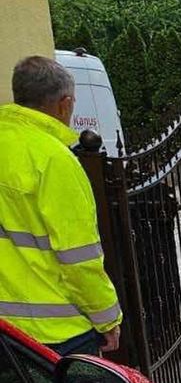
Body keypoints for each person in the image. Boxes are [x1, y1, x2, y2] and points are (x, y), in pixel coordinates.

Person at [0, 56, 122, 355]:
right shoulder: (55, 160)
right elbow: (78, 257)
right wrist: (107, 318)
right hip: (55, 334)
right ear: (65, 104)